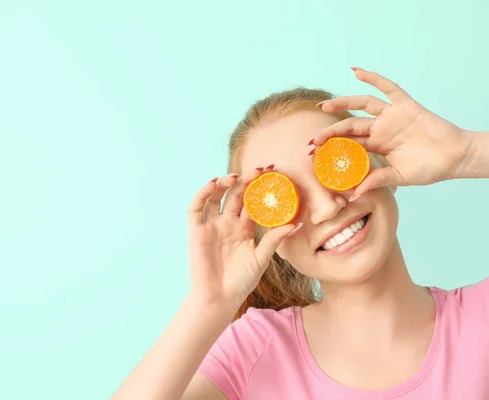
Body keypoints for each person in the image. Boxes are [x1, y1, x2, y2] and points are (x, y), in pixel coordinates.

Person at [112, 68, 489, 399]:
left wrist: (469, 153)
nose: (327, 208)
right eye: (285, 197)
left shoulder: (480, 319)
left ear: (385, 163)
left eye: (337, 165)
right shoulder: (254, 351)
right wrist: (209, 303)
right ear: (272, 244)